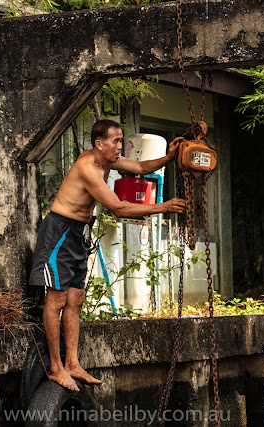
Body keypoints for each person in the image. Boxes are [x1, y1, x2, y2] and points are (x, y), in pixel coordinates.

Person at [29, 119, 186, 391]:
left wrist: (169, 157)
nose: (119, 146)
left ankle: (73, 363)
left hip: (79, 233)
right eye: (115, 141)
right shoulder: (88, 167)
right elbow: (118, 208)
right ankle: (55, 367)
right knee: (56, 301)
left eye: (121, 140)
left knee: (75, 299)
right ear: (99, 144)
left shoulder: (106, 161)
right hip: (60, 232)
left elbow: (138, 167)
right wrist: (163, 206)